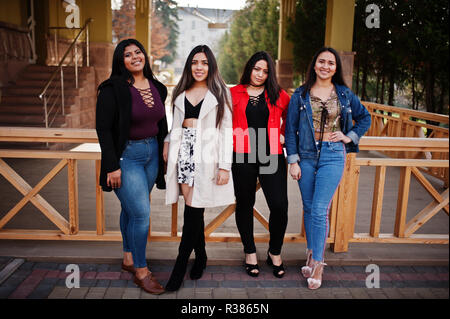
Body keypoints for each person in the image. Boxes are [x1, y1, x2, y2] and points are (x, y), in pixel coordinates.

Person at [285, 47, 371, 289]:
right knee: (310, 208)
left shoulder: (344, 94)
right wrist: (293, 161)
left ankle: (319, 264)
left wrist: (348, 135)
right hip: (306, 156)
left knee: (320, 209)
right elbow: (290, 130)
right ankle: (311, 253)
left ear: (336, 68)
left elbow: (365, 118)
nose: (325, 66)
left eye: (330, 63)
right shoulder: (300, 95)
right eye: (321, 61)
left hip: (333, 155)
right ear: (314, 65)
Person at [96, 38, 167, 295]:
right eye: (128, 54)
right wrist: (112, 166)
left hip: (151, 156)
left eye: (138, 52)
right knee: (141, 214)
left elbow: (161, 125)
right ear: (120, 60)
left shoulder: (158, 87)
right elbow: (103, 130)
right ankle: (141, 270)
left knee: (131, 209)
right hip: (127, 157)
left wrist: (164, 150)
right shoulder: (111, 89)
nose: (135, 57)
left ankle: (128, 257)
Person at [163, 45, 234, 291]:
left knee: (192, 213)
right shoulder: (180, 91)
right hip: (184, 155)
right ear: (189, 65)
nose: (199, 67)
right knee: (194, 210)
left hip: (208, 157)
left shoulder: (221, 92)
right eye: (195, 62)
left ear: (211, 65)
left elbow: (227, 131)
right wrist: (167, 143)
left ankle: (180, 266)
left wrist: (225, 166)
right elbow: (174, 127)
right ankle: (201, 257)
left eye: (204, 62)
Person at [230, 51, 290, 278]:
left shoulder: (278, 94)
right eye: (257, 69)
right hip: (243, 154)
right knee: (244, 203)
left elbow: (293, 118)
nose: (260, 74)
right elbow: (221, 120)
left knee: (279, 205)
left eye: (265, 71)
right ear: (249, 68)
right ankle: (250, 252)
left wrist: (283, 134)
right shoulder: (233, 93)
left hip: (271, 154)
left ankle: (275, 252)